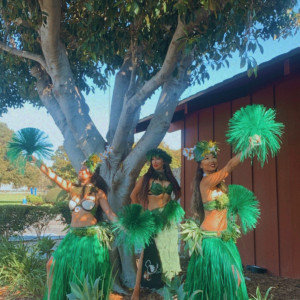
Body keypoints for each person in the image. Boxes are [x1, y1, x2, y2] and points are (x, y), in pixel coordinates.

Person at [182, 140, 260, 300]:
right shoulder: (206, 182)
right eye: (206, 158)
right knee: (234, 279)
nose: (211, 161)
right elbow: (229, 166)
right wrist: (249, 147)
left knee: (226, 283)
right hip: (211, 241)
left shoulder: (219, 185)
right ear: (200, 164)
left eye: (213, 157)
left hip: (225, 240)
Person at [32, 154, 116, 300]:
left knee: (85, 274)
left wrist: (127, 226)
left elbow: (110, 214)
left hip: (90, 238)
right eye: (80, 169)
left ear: (91, 173)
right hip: (72, 236)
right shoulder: (72, 189)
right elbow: (53, 176)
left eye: (84, 169)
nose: (80, 171)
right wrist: (38, 162)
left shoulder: (98, 193)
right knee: (51, 264)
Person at [130, 148, 184, 300]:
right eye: (152, 159)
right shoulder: (146, 178)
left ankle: (169, 286)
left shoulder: (170, 178)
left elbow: (178, 192)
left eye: (157, 159)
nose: (154, 162)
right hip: (152, 218)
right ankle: (136, 290)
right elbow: (133, 195)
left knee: (168, 251)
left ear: (164, 161)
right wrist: (142, 213)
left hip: (167, 220)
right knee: (146, 251)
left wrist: (172, 205)